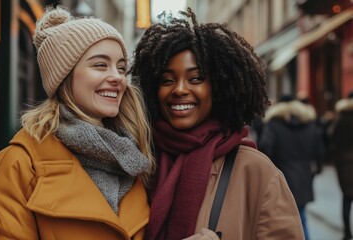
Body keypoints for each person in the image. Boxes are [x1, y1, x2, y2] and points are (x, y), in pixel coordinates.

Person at [0, 6, 154, 240]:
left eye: (120, 67)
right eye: (100, 65)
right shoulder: (19, 165)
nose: (117, 77)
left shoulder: (132, 161)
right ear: (64, 75)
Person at [129, 8, 304, 240]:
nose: (179, 89)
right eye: (168, 80)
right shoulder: (136, 164)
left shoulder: (255, 171)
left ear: (218, 88)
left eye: (195, 79)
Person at [258, 95, 324, 240]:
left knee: (286, 219)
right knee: (300, 214)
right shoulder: (309, 123)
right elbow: (319, 149)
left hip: (282, 175)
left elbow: (265, 149)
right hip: (304, 175)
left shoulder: (273, 125)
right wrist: (317, 168)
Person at [328, 91, 353, 240]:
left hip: (344, 163)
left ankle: (347, 232)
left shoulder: (341, 118)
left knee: (347, 198)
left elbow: (331, 137)